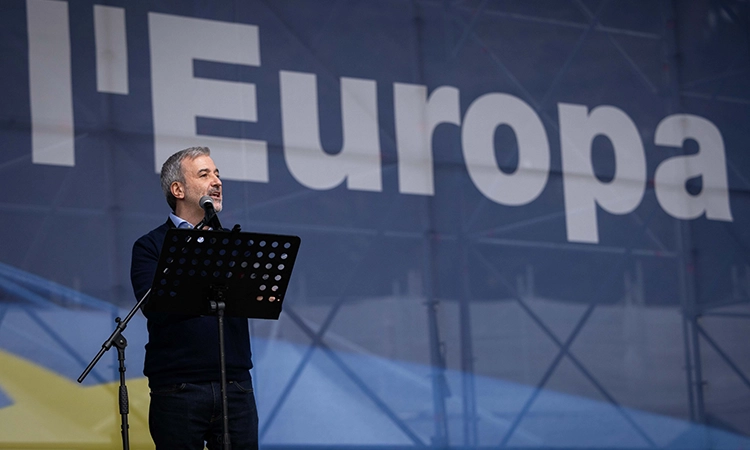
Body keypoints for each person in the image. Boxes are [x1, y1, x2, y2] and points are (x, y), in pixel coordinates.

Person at [130, 146, 259, 449]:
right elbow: (154, 306)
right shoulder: (150, 246)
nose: (217, 181)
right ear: (178, 189)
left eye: (217, 174)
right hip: (178, 388)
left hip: (236, 386)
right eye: (204, 174)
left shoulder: (234, 245)